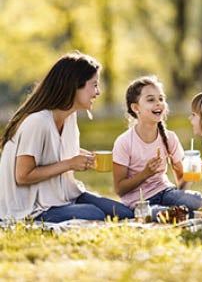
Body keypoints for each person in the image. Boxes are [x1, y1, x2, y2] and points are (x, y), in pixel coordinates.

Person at [0, 51, 133, 223]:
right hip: (32, 208)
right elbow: (23, 175)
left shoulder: (69, 117)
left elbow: (51, 151)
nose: (98, 92)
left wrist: (81, 157)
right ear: (74, 86)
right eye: (94, 85)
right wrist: (70, 163)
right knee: (95, 214)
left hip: (66, 196)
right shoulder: (37, 122)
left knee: (124, 213)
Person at [112, 75, 202, 221]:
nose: (159, 104)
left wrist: (190, 174)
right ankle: (185, 215)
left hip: (166, 192)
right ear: (135, 107)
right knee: (157, 213)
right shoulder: (124, 142)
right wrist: (145, 173)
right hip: (141, 201)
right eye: (151, 100)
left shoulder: (170, 138)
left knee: (197, 201)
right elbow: (120, 188)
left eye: (161, 99)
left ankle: (182, 214)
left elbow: (181, 185)